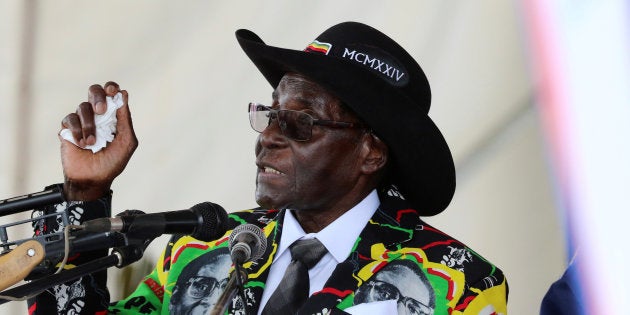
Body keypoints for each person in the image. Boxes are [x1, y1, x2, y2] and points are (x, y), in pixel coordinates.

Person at [28, 22, 508, 314]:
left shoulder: (459, 281)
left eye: (299, 122)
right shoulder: (202, 248)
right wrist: (85, 195)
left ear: (371, 153)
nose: (270, 136)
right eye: (269, 115)